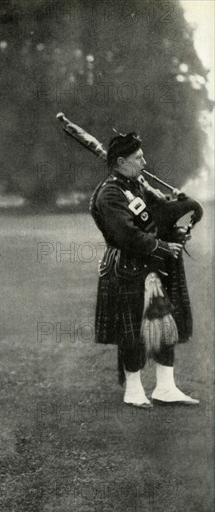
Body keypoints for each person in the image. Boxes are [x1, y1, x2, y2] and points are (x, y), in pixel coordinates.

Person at [90, 132, 199, 408]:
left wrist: (178, 209)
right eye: (138, 158)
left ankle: (165, 387)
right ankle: (134, 390)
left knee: (165, 324)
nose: (144, 162)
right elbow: (127, 235)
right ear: (120, 162)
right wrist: (162, 247)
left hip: (153, 266)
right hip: (126, 267)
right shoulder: (109, 193)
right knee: (132, 329)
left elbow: (156, 217)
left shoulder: (137, 185)